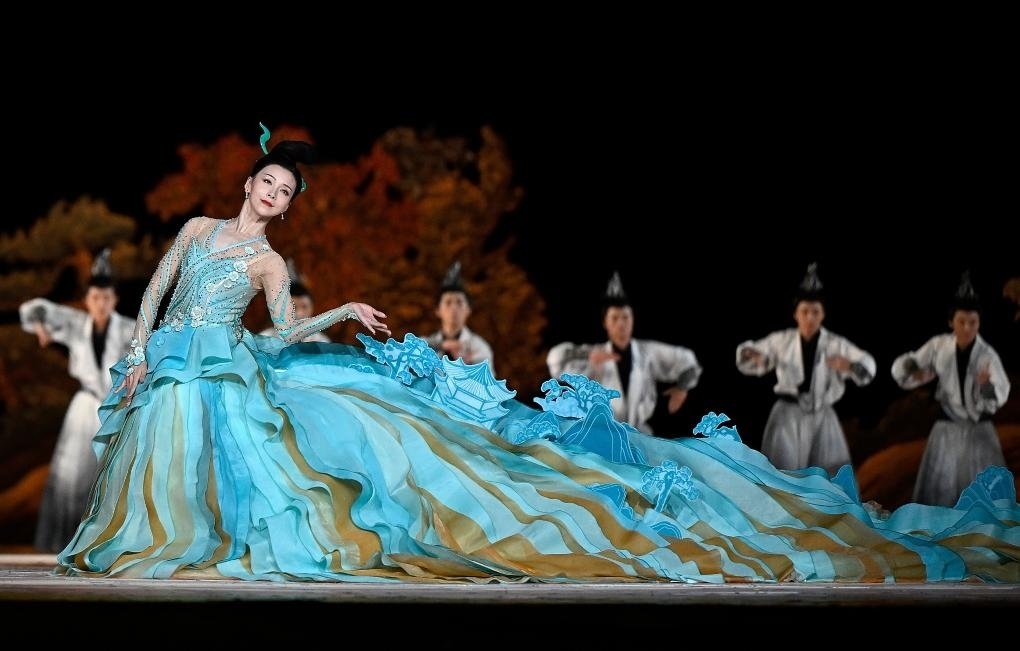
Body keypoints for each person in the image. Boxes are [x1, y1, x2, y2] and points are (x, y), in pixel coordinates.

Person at [55, 125, 1019, 584]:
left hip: (228, 362)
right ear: (248, 182)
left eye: (286, 194)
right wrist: (138, 350)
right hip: (173, 361)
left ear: (287, 209)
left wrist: (337, 309)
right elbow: (157, 287)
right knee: (175, 474)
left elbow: (278, 333)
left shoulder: (271, 262)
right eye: (268, 184)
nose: (273, 197)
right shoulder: (197, 229)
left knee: (272, 478)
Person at [19, 249, 136, 552]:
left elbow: (147, 353)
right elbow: (33, 310)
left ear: (114, 300)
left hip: (116, 405)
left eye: (106, 298)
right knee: (72, 475)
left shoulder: (127, 328)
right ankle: (68, 541)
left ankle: (111, 542)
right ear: (87, 300)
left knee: (115, 471)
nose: (101, 304)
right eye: (95, 298)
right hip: (85, 406)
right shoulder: (75, 324)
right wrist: (42, 327)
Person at [735, 263, 876, 476]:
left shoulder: (835, 344)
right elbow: (752, 353)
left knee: (828, 476)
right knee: (784, 474)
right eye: (805, 311)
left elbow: (867, 364)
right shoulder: (782, 341)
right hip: (787, 415)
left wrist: (849, 365)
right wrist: (755, 355)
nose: (810, 317)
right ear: (796, 314)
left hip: (822, 417)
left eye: (815, 312)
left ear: (823, 315)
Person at [891, 271, 1012, 507]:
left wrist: (986, 386)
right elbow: (907, 365)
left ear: (979, 323)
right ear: (951, 322)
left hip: (979, 430)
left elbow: (1001, 391)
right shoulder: (938, 346)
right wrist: (915, 370)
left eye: (973, 322)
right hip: (947, 428)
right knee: (940, 492)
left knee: (985, 497)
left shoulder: (987, 354)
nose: (967, 328)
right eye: (961, 322)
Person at [546, 271, 702, 436]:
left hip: (640, 435)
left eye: (626, 317)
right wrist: (587, 354)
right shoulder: (594, 355)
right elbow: (555, 360)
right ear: (605, 323)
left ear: (633, 320)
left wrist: (682, 388)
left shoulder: (647, 352)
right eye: (614, 318)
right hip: (601, 434)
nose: (621, 325)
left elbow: (688, 362)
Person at [422, 260, 493, 367]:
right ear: (438, 310)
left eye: (459, 302)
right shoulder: (426, 346)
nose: (454, 308)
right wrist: (442, 345)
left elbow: (487, 377)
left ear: (468, 309)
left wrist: (466, 365)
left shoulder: (479, 348)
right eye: (448, 302)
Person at [259, 258, 330, 343]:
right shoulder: (264, 339)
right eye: (293, 307)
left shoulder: (321, 341)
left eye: (305, 307)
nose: (299, 314)